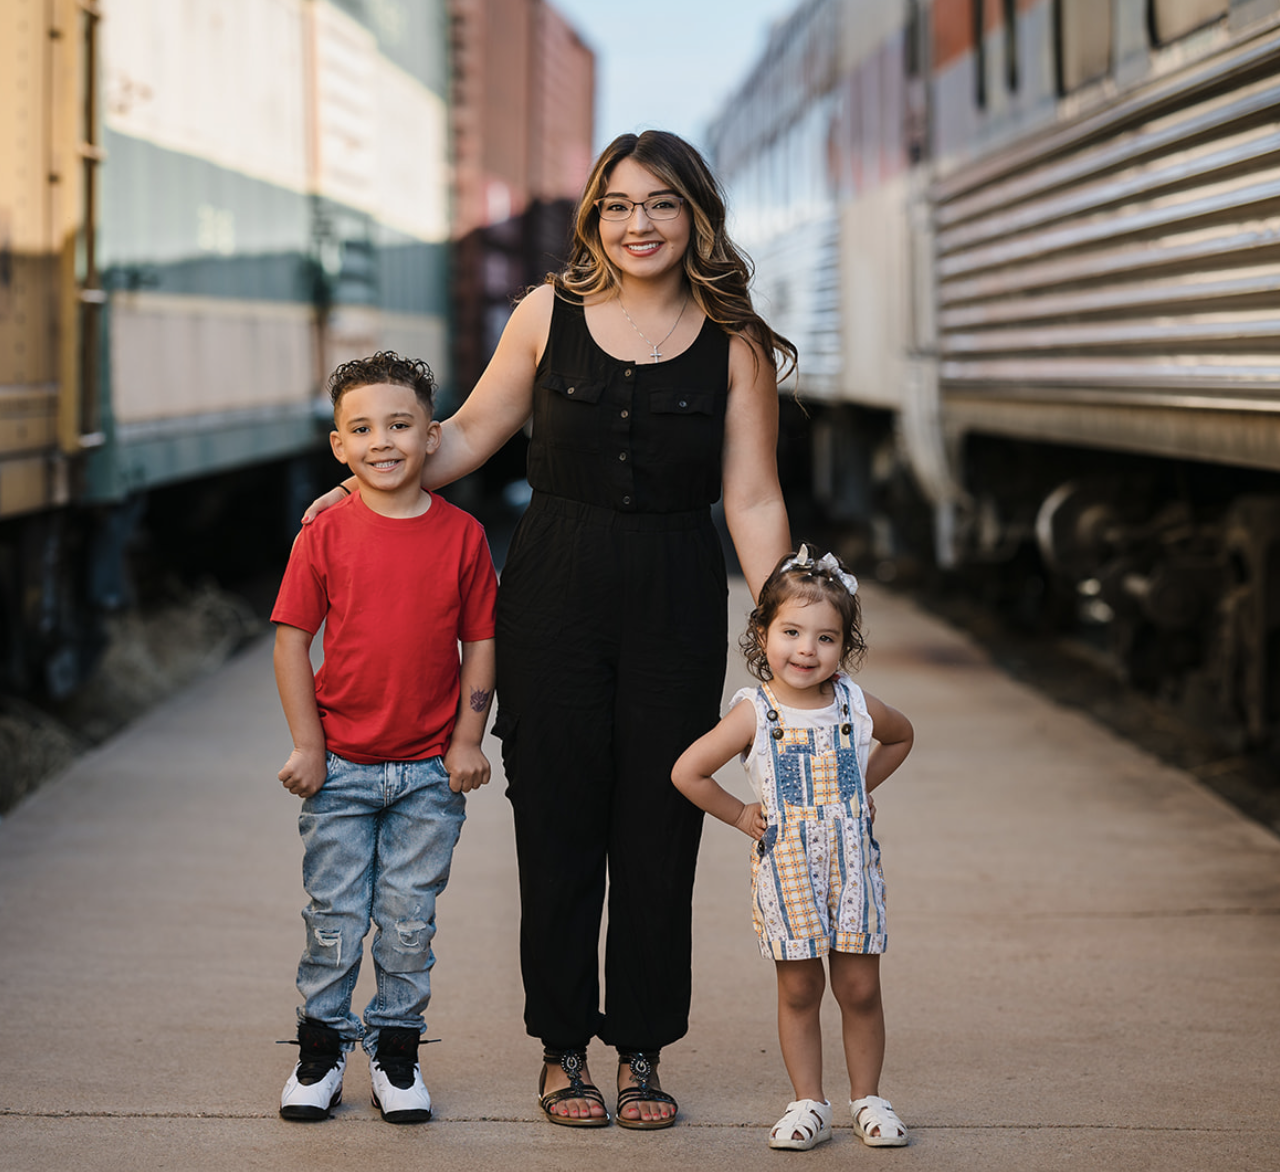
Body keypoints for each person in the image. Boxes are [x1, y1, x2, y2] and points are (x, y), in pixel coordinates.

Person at [301, 130, 796, 1128]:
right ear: (593, 218)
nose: (638, 224)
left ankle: (644, 1050)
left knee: (659, 822)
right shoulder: (545, 314)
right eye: (617, 205)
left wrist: (787, 619)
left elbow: (750, 497)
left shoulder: (734, 342)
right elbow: (474, 433)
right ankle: (563, 1046)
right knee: (559, 821)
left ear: (695, 214)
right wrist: (358, 492)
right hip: (554, 594)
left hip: (673, 596)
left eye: (660, 203)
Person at [271, 351, 499, 1126]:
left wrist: (469, 737)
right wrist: (309, 745)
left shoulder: (463, 536)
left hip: (430, 773)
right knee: (333, 917)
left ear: (432, 436)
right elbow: (291, 641)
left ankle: (396, 1053)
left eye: (400, 425)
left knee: (408, 922)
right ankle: (322, 1050)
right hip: (341, 769)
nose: (382, 441)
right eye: (362, 429)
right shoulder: (325, 533)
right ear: (338, 446)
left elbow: (482, 643)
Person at [671, 546, 914, 1150]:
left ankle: (869, 1099)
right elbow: (688, 772)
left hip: (853, 870)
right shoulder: (758, 713)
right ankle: (809, 1101)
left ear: (844, 646)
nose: (807, 650)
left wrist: (861, 785)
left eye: (826, 637)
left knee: (860, 987)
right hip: (788, 869)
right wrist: (740, 814)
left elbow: (902, 735)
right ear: (762, 632)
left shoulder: (855, 705)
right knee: (800, 988)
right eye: (791, 632)